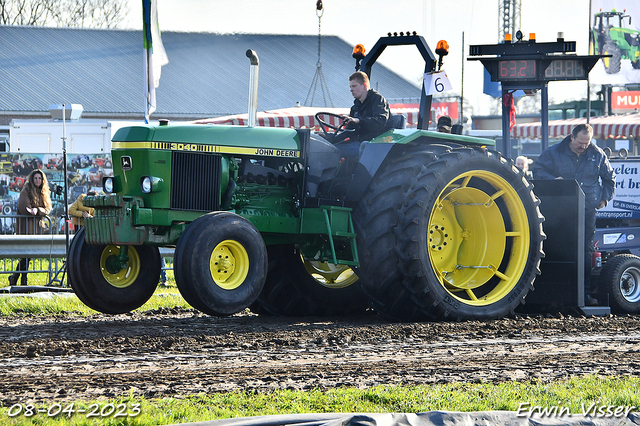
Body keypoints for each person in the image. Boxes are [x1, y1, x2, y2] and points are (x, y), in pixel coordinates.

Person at [532, 123, 615, 304]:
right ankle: (554, 291)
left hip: (587, 209)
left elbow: (610, 179)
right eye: (580, 143)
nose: (583, 147)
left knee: (585, 250)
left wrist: (605, 198)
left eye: (587, 143)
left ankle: (583, 293)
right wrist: (553, 180)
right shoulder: (553, 152)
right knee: (557, 247)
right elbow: (537, 171)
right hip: (559, 209)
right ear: (572, 137)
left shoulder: (598, 154)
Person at [9, 169, 52, 286]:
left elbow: (47, 208)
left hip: (36, 227)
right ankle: (22, 279)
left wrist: (37, 210)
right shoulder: (26, 190)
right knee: (25, 254)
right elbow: (24, 207)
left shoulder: (43, 192)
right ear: (32, 179)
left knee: (29, 255)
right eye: (35, 178)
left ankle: (16, 277)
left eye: (39, 178)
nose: (37, 180)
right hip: (26, 226)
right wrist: (33, 210)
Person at [332, 71, 389, 156]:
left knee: (334, 151)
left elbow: (380, 121)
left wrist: (358, 120)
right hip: (358, 142)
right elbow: (349, 131)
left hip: (373, 143)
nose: (351, 89)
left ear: (364, 86)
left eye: (354, 86)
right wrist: (331, 138)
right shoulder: (355, 107)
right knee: (329, 147)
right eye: (350, 87)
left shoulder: (377, 100)